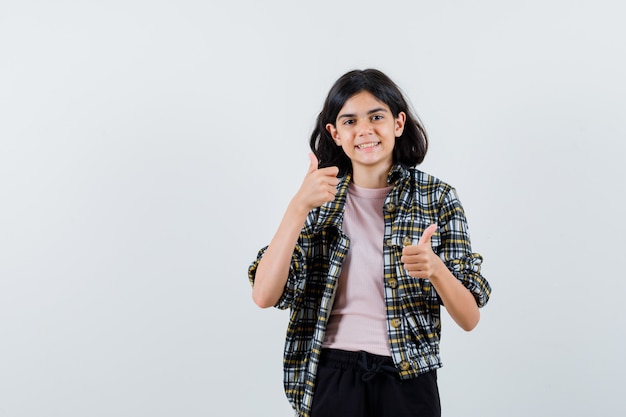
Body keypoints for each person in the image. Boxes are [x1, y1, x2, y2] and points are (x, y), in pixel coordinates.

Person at [248, 68, 491, 417]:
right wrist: (298, 206)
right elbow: (264, 295)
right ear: (334, 133)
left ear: (398, 123)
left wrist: (436, 269)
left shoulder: (437, 197)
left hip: (408, 377)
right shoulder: (319, 201)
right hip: (332, 375)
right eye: (349, 121)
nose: (364, 130)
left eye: (376, 116)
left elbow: (470, 318)